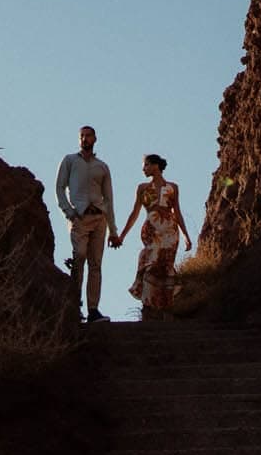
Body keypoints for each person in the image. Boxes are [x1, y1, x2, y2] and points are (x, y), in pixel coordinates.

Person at [54, 125, 119, 323]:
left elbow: (109, 199)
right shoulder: (70, 160)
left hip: (99, 217)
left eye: (88, 136)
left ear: (95, 138)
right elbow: (59, 188)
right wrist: (70, 213)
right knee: (79, 257)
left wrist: (113, 230)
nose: (85, 139)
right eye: (82, 136)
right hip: (79, 218)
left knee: (96, 264)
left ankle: (93, 309)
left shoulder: (102, 166)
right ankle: (74, 306)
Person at [115, 154, 192, 316]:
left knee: (165, 266)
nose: (144, 169)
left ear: (156, 166)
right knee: (150, 263)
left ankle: (166, 307)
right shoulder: (142, 188)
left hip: (169, 230)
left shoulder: (173, 187)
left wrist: (186, 235)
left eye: (146, 165)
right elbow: (134, 213)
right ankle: (148, 306)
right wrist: (122, 235)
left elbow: (177, 212)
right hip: (151, 229)